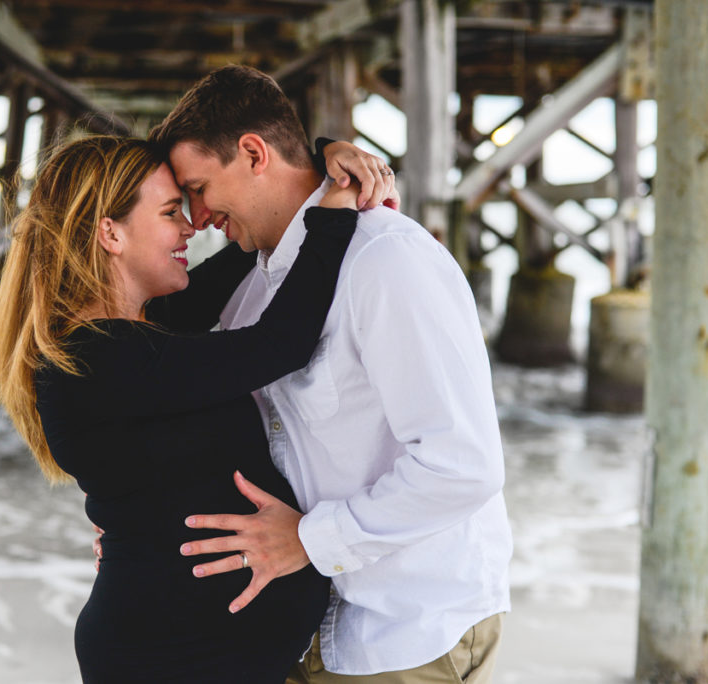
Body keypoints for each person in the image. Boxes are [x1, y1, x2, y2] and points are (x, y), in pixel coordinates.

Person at [0, 134, 396, 684]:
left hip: (192, 651)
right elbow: (279, 343)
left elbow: (254, 243)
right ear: (110, 232)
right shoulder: (98, 357)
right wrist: (334, 212)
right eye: (173, 211)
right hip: (169, 658)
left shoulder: (133, 335)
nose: (192, 227)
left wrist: (317, 161)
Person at [146, 65, 513, 683]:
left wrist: (310, 541)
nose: (199, 216)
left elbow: (463, 464)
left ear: (254, 153)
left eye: (201, 188)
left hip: (406, 630)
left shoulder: (384, 260)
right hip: (301, 630)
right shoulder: (253, 282)